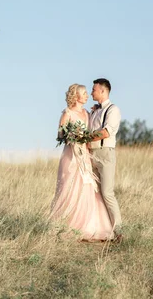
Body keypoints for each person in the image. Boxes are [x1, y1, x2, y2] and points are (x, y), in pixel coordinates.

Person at [50, 83, 114, 241]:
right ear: (76, 96)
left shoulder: (87, 113)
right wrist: (70, 136)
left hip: (84, 155)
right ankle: (68, 224)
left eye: (87, 93)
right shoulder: (67, 113)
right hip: (71, 156)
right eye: (84, 93)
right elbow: (60, 135)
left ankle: (88, 225)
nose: (87, 96)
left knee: (87, 188)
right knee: (70, 187)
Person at [88, 78, 123, 242]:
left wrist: (85, 137)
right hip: (91, 154)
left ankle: (119, 232)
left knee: (107, 193)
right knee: (95, 194)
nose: (91, 92)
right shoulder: (95, 111)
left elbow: (106, 132)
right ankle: (101, 230)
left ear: (103, 90)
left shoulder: (113, 109)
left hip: (105, 154)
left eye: (93, 90)